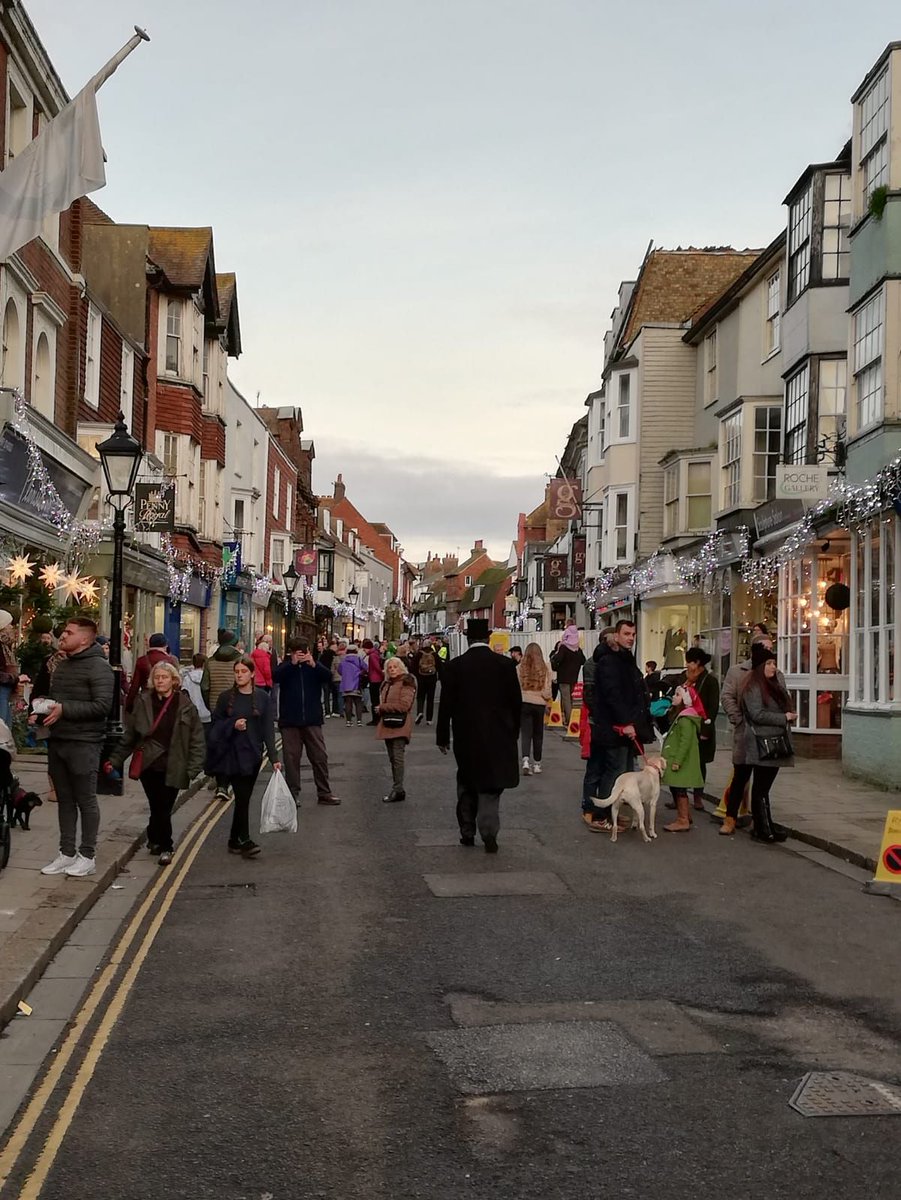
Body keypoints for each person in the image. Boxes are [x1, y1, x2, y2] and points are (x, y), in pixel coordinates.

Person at [106, 663, 206, 865]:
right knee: (158, 805)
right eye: (157, 677)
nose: (160, 680)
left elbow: (197, 739)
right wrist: (115, 760)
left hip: (175, 763)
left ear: (174, 680)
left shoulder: (185, 705)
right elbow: (130, 736)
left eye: (165, 677)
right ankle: (164, 845)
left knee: (164, 806)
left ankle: (158, 840)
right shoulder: (144, 702)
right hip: (150, 764)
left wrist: (195, 767)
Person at [436, 618, 521, 853]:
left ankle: (467, 831)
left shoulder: (454, 667)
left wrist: (442, 736)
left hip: (466, 734)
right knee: (491, 784)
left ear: (467, 639)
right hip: (499, 734)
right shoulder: (505, 665)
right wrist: (513, 731)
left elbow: (446, 706)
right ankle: (489, 829)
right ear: (488, 638)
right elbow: (516, 702)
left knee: (466, 780)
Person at [39, 617, 114, 878]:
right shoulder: (63, 665)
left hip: (85, 743)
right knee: (65, 800)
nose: (63, 635)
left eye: (68, 633)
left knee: (86, 800)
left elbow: (103, 706)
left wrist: (64, 709)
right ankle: (66, 853)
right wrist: (42, 710)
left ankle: (87, 855)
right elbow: (59, 702)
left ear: (84, 639)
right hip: (59, 739)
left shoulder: (99, 668)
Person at [207, 657, 281, 858]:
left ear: (252, 674)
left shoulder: (262, 698)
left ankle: (233, 839)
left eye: (243, 671)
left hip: (253, 755)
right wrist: (233, 725)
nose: (239, 675)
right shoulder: (225, 698)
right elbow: (214, 727)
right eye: (237, 671)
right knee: (242, 798)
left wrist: (274, 757)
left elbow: (267, 729)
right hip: (232, 754)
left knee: (244, 798)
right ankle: (245, 840)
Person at [584, 620, 653, 833]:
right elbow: (613, 695)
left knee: (624, 772)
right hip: (614, 728)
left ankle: (613, 814)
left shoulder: (624, 659)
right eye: (626, 633)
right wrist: (625, 723)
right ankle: (600, 816)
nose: (631, 637)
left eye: (633, 633)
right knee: (613, 773)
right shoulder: (609, 661)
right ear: (616, 635)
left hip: (626, 726)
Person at [722, 644, 795, 842]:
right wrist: (783, 718)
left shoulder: (776, 680)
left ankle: (765, 825)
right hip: (758, 741)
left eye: (775, 663)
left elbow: (783, 701)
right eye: (769, 663)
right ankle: (753, 826)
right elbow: (755, 712)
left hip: (775, 740)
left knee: (763, 787)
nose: (774, 667)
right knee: (748, 781)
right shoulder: (750, 683)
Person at [274, 638, 340, 806]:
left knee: (319, 757)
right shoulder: (286, 667)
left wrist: (314, 664)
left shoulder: (313, 667)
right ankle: (293, 795)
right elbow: (275, 677)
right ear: (292, 652)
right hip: (290, 721)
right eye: (297, 651)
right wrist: (291, 663)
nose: (301, 654)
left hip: (312, 720)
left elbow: (329, 677)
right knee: (291, 760)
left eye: (304, 651)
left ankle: (324, 793)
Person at [721, 632, 774, 825]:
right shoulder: (737, 671)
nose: (769, 652)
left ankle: (762, 823)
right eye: (765, 648)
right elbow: (727, 696)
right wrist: (738, 719)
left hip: (767, 736)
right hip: (745, 734)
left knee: (762, 784)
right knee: (740, 778)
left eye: (771, 648)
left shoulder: (773, 672)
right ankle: (730, 818)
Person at [201, 628, 243, 800]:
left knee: (219, 744)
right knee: (236, 743)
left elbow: (205, 687)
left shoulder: (210, 662)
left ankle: (221, 783)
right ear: (234, 643)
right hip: (236, 706)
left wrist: (210, 705)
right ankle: (232, 778)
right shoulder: (241, 660)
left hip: (216, 709)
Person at [659, 685, 705, 832]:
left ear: (685, 700)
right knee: (676, 788)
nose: (673, 696)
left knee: (679, 789)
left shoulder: (685, 719)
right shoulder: (681, 717)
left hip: (680, 761)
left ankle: (683, 819)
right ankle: (686, 816)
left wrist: (677, 761)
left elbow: (685, 742)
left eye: (677, 695)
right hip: (675, 758)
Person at [377, 654, 417, 802]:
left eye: (395, 667)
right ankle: (398, 788)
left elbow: (405, 705)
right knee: (392, 758)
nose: (392, 670)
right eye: (390, 668)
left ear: (401, 668)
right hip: (388, 723)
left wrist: (383, 707)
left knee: (398, 757)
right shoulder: (387, 684)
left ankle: (398, 788)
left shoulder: (407, 682)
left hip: (400, 723)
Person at [683, 646, 720, 811]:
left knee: (699, 764)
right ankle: (680, 796)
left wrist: (706, 731)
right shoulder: (687, 679)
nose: (687, 666)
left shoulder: (710, 681)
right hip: (686, 728)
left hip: (701, 728)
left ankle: (698, 796)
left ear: (697, 663)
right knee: (682, 761)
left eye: (689, 662)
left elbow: (712, 708)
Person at [517, 642, 551, 776]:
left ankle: (525, 761)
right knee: (538, 735)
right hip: (539, 704)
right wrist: (545, 698)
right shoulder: (545, 667)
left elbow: (517, 687)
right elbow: (547, 690)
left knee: (525, 734)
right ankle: (537, 764)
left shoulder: (520, 667)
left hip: (524, 703)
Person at [125, 633, 178, 714]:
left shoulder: (142, 661)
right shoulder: (170, 661)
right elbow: (175, 685)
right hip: (165, 702)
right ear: (165, 646)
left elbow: (135, 686)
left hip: (146, 701)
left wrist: (129, 705)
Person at [551, 620, 584, 728]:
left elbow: (558, 659)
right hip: (573, 677)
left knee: (566, 699)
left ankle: (569, 720)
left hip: (563, 676)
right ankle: (566, 718)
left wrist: (554, 656)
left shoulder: (564, 647)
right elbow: (583, 660)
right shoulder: (578, 649)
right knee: (570, 698)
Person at [411, 638, 439, 726]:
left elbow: (413, 666)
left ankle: (420, 711)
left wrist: (417, 676)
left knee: (420, 696)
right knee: (430, 698)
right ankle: (429, 719)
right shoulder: (434, 654)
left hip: (421, 678)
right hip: (432, 678)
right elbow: (439, 666)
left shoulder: (419, 654)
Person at [337, 643, 366, 726]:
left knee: (348, 703)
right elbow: (365, 668)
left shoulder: (343, 660)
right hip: (356, 683)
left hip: (346, 684)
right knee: (358, 703)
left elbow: (340, 671)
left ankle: (348, 721)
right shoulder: (359, 659)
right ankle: (359, 721)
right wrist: (360, 673)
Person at [180, 654, 211, 728]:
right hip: (208, 714)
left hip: (193, 714)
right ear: (204, 663)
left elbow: (184, 695)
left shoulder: (187, 678)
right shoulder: (208, 677)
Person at [0, 610, 20, 728]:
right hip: (2, 688)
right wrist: (12, 677)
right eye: (9, 624)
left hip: (6, 689)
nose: (11, 627)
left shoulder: (6, 646)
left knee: (6, 726)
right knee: (2, 726)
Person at [362, 639, 384, 726]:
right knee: (376, 700)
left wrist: (381, 674)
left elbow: (376, 667)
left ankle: (376, 719)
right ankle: (377, 718)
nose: (364, 650)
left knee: (374, 700)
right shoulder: (376, 653)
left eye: (364, 649)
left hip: (374, 679)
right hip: (377, 679)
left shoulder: (372, 656)